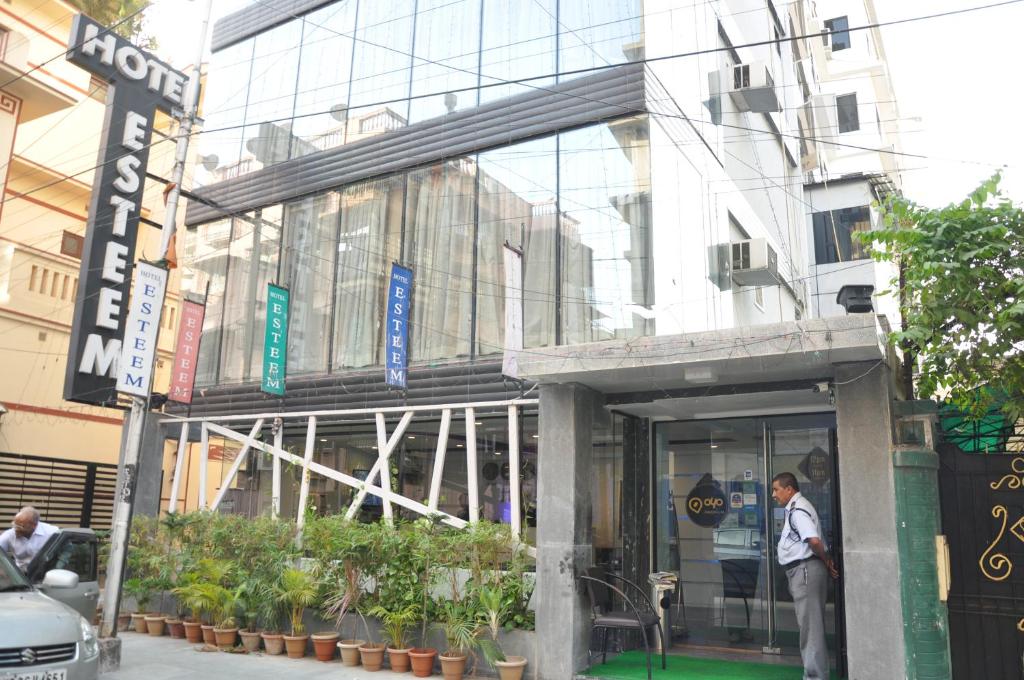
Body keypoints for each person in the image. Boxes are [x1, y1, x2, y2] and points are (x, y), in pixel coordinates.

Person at [771, 473, 838, 680]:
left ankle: (815, 676)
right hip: (802, 570)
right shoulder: (795, 508)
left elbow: (814, 541)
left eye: (776, 489)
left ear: (789, 489)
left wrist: (825, 560)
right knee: (809, 625)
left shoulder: (798, 510)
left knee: (811, 628)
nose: (774, 494)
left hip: (806, 570)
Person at [0, 506, 59, 571]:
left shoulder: (52, 532)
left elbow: (67, 549)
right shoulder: (9, 534)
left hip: (46, 574)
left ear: (34, 525)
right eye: (15, 524)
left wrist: (59, 565)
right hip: (21, 575)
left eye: (20, 526)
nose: (16, 529)